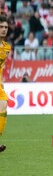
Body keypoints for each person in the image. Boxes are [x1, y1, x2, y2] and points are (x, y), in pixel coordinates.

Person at [0, 15, 11, 153]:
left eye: (6, 27)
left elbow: (1, 66)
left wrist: (1, 82)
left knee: (3, 106)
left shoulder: (7, 47)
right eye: (1, 27)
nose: (3, 30)